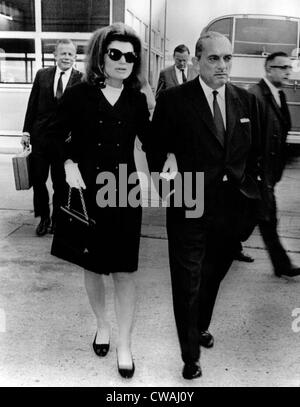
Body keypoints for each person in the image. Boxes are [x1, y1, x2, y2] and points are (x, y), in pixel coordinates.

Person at [147, 31, 261, 379]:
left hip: (231, 209)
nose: (223, 65)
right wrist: (171, 190)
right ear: (197, 60)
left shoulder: (246, 101)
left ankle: (199, 325)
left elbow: (252, 154)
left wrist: (252, 194)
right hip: (189, 203)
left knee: (213, 273)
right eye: (214, 58)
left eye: (228, 58)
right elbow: (155, 149)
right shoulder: (175, 101)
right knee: (187, 279)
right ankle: (190, 356)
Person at [48, 23, 150, 379]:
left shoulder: (137, 99)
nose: (124, 61)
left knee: (125, 271)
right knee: (93, 266)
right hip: (89, 191)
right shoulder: (78, 96)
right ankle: (102, 325)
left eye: (130, 56)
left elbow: (152, 139)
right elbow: (56, 134)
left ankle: (124, 343)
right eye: (116, 54)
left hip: (124, 190)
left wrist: (170, 157)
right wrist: (67, 162)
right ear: (100, 56)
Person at [21, 39, 82, 236]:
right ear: (55, 56)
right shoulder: (42, 75)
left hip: (64, 142)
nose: (66, 57)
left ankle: (58, 219)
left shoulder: (80, 79)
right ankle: (43, 217)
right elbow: (32, 104)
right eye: (63, 54)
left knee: (60, 183)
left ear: (75, 57)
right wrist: (26, 131)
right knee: (38, 180)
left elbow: (83, 113)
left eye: (70, 54)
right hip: (40, 138)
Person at [249, 52, 300, 277]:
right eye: (283, 68)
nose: (288, 72)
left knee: (261, 218)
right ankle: (282, 265)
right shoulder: (256, 96)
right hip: (258, 174)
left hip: (268, 173)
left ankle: (281, 265)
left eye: (289, 67)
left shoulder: (278, 94)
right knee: (266, 217)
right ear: (269, 69)